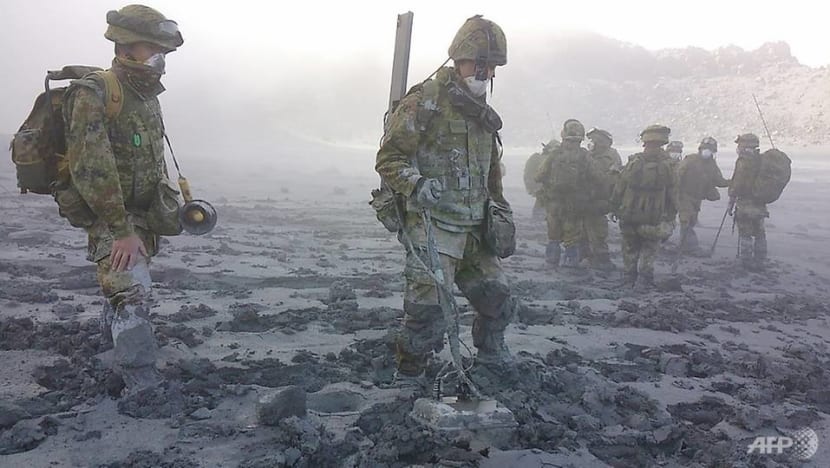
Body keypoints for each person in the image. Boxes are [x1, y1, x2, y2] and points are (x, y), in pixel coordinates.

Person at [375, 15, 516, 387]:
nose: (487, 73)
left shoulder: (482, 111)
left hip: (475, 226)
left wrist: (500, 212)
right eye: (481, 64)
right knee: (426, 310)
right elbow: (389, 158)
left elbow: (490, 172)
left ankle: (491, 358)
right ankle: (409, 374)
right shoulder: (425, 101)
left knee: (497, 297)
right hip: (433, 225)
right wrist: (417, 184)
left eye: (493, 67)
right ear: (461, 59)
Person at [63, 4, 183, 393]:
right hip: (111, 216)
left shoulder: (146, 93)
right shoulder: (96, 92)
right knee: (132, 292)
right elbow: (91, 168)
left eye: (163, 50)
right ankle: (141, 384)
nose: (160, 57)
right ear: (126, 46)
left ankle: (106, 347)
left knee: (121, 285)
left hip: (141, 216)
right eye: (154, 48)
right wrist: (121, 230)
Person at [611, 125, 678, 289]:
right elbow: (674, 194)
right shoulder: (668, 166)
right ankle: (644, 281)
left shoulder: (633, 162)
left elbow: (620, 186)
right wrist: (671, 216)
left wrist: (614, 207)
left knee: (629, 249)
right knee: (649, 249)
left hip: (629, 215)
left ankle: (628, 279)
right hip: (653, 218)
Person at [535, 119, 593, 268]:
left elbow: (539, 175)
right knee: (572, 236)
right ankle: (571, 263)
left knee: (553, 234)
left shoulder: (555, 154)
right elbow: (594, 177)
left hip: (554, 201)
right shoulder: (585, 155)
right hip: (575, 203)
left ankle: (552, 261)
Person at [675, 137, 730, 255]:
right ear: (700, 149)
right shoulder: (690, 160)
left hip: (697, 198)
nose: (706, 151)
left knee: (692, 221)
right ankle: (690, 247)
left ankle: (684, 245)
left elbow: (719, 180)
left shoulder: (712, 165)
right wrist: (676, 192)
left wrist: (732, 182)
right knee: (686, 220)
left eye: (709, 149)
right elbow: (678, 175)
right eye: (705, 149)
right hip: (685, 195)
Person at [581, 127, 622, 270]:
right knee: (583, 231)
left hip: (599, 200)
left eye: (594, 140)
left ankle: (603, 261)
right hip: (586, 199)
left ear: (602, 142)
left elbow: (611, 181)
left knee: (598, 232)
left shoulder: (610, 157)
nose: (591, 143)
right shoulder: (589, 155)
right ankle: (586, 257)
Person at [728, 133, 767, 268]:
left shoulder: (743, 161)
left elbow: (737, 183)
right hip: (760, 203)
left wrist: (731, 198)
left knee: (745, 233)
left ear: (744, 145)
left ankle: (746, 260)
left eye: (739, 144)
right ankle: (760, 259)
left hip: (745, 204)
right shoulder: (762, 159)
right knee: (760, 232)